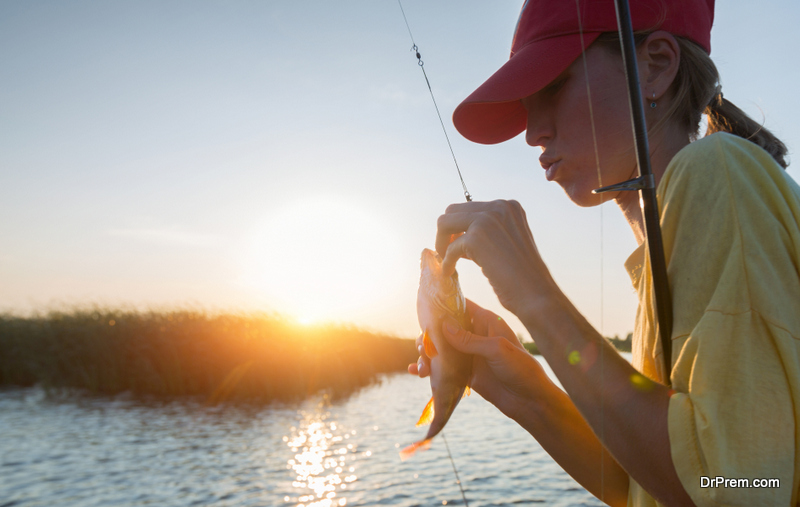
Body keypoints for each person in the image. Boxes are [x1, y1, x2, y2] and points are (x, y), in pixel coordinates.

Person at [407, 1, 800, 506]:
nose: (532, 132)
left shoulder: (716, 170)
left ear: (655, 65)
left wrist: (534, 295)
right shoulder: (672, 245)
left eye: (552, 86)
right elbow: (660, 484)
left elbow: (740, 488)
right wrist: (526, 392)